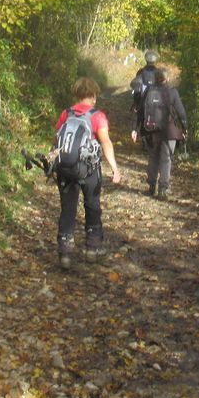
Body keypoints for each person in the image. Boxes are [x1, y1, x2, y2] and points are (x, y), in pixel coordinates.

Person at [52, 77, 121, 269]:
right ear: (93, 95)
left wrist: (53, 162)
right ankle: (93, 248)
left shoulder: (66, 114)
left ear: (77, 94)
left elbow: (57, 140)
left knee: (68, 209)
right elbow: (105, 142)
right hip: (89, 170)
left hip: (66, 168)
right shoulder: (97, 116)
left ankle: (65, 252)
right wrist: (114, 168)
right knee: (92, 205)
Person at [131, 68, 186, 200]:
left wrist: (135, 129)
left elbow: (140, 111)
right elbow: (181, 112)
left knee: (153, 158)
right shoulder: (172, 92)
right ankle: (163, 190)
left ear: (155, 78)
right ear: (167, 78)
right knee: (166, 159)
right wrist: (185, 128)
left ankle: (151, 187)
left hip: (151, 130)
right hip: (169, 131)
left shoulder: (148, 91)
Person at [129, 49, 160, 134]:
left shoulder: (141, 72)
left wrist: (136, 103)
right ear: (155, 60)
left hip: (143, 103)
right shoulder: (159, 73)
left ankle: (135, 129)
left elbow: (135, 87)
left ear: (146, 59)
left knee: (137, 111)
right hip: (157, 102)